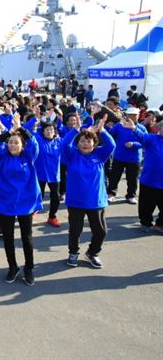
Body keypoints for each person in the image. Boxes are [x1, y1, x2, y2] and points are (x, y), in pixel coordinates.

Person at [0, 114, 42, 285]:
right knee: (8, 237)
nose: (12, 145)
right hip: (6, 202)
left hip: (25, 203)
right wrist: (10, 132)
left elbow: (34, 143)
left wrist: (20, 128)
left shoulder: (28, 157)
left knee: (26, 237)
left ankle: (29, 267)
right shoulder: (2, 157)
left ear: (23, 146)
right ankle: (12, 266)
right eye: (11, 143)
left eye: (16, 142)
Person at [61, 115, 115, 268]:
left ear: (94, 143)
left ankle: (92, 253)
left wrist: (102, 130)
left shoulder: (99, 155)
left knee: (101, 231)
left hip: (95, 200)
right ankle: (73, 252)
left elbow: (111, 145)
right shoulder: (72, 155)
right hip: (76, 201)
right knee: (75, 231)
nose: (85, 143)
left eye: (89, 141)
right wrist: (75, 130)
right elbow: (64, 144)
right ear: (77, 143)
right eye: (82, 141)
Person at [122, 117, 163, 233]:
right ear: (159, 129)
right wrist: (134, 128)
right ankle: (146, 223)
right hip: (150, 181)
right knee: (146, 205)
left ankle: (160, 225)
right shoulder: (152, 138)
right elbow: (142, 136)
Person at [107, 108, 145, 204]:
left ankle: (131, 195)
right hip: (119, 156)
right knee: (114, 177)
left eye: (134, 115)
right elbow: (109, 135)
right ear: (126, 115)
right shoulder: (119, 126)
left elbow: (145, 142)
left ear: (138, 116)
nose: (132, 117)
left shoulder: (141, 128)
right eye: (130, 115)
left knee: (132, 178)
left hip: (134, 158)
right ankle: (111, 194)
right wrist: (108, 127)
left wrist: (133, 144)